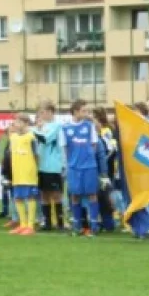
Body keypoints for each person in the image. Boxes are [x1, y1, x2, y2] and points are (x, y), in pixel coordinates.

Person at [62, 100, 108, 237]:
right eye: (84, 111)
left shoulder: (89, 126)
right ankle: (77, 225)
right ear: (75, 111)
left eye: (87, 111)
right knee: (75, 195)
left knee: (92, 194)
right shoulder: (65, 128)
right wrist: (72, 162)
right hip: (74, 167)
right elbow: (65, 148)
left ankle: (94, 225)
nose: (86, 113)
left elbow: (94, 145)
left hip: (89, 166)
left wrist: (86, 157)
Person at [5, 113, 40, 235]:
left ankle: (30, 226)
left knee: (30, 197)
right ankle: (22, 224)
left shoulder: (31, 137)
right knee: (18, 198)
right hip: (17, 174)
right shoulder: (13, 137)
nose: (16, 124)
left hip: (29, 173)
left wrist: (34, 169)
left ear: (26, 124)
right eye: (15, 122)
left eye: (19, 122)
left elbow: (36, 155)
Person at [33, 102, 65, 232]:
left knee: (56, 194)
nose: (42, 115)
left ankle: (60, 223)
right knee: (44, 194)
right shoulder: (41, 126)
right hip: (42, 165)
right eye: (40, 112)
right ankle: (47, 223)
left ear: (51, 112)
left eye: (44, 112)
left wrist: (34, 130)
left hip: (53, 166)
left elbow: (45, 139)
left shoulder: (56, 126)